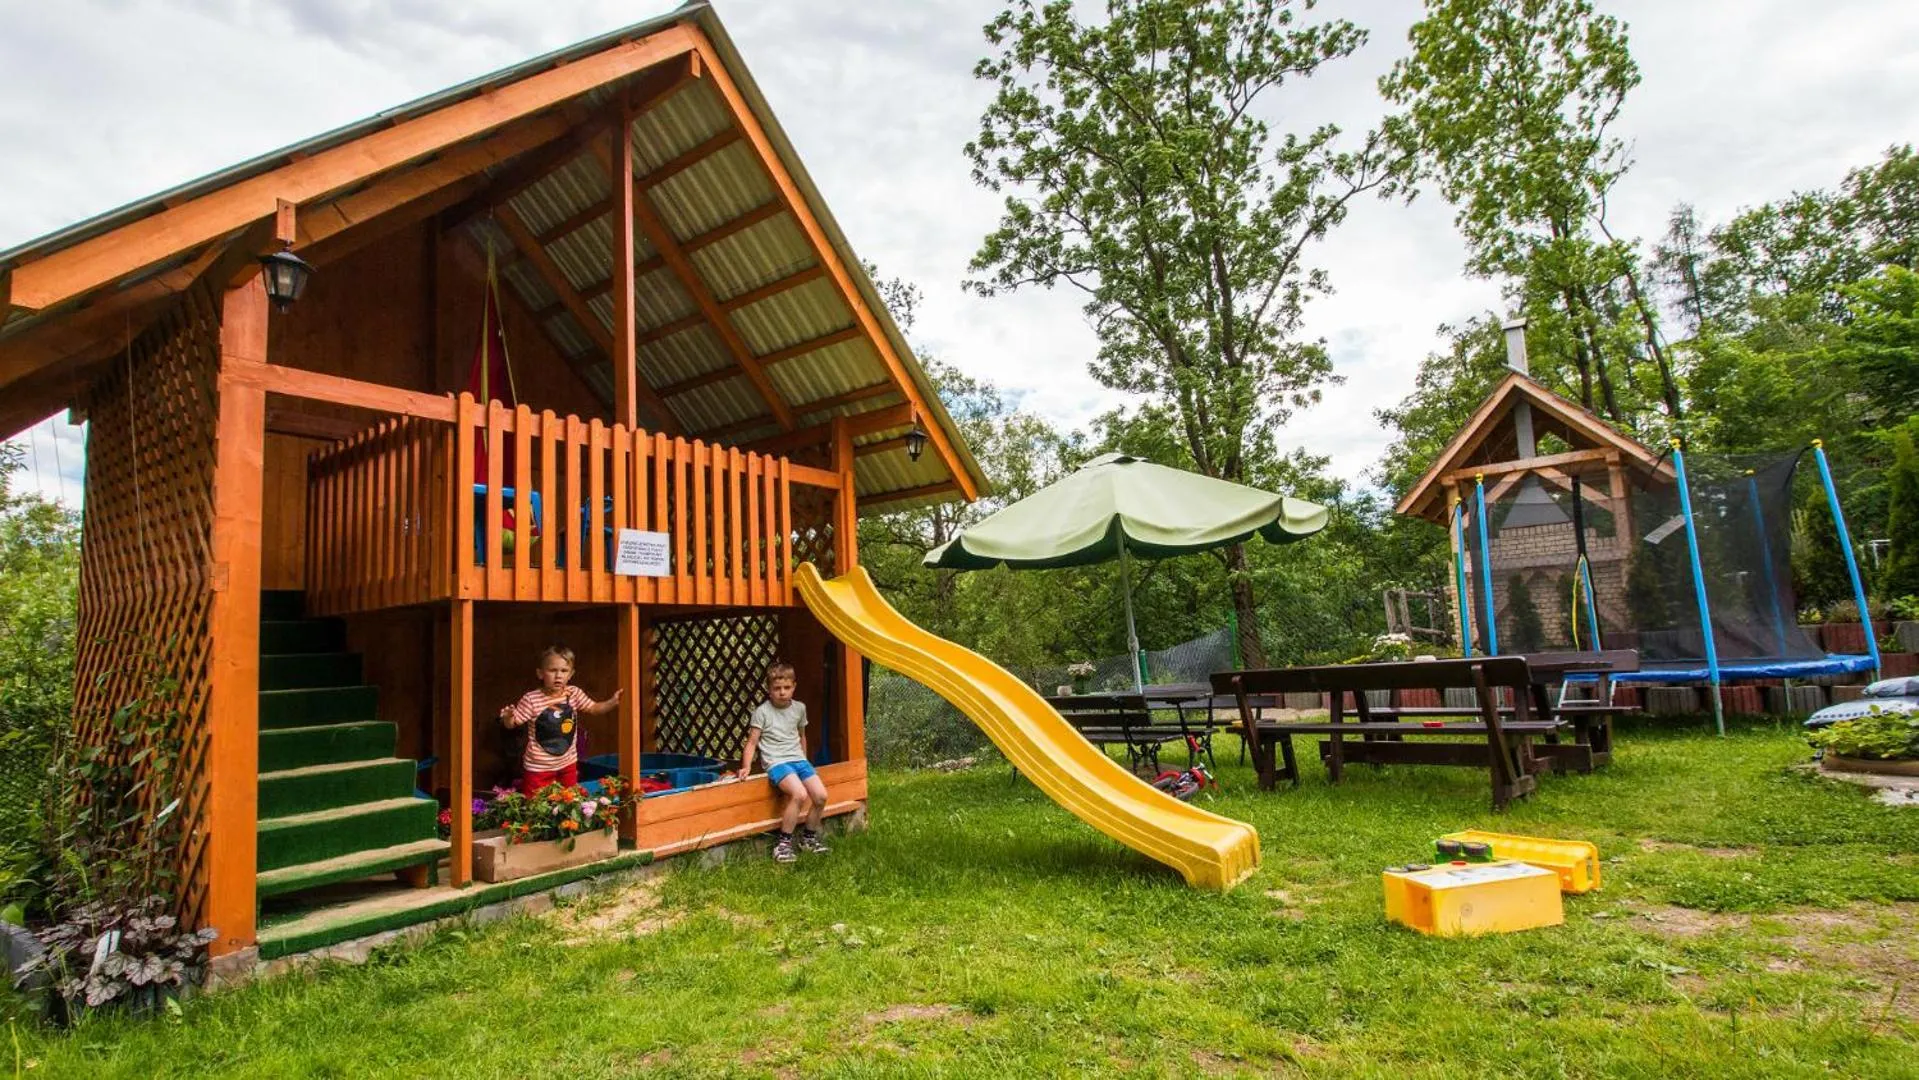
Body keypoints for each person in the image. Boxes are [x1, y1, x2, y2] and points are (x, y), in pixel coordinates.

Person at [737, 660, 829, 863]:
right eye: (777, 688)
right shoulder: (762, 712)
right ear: (769, 690)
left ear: (794, 686)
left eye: (787, 688)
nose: (782, 692)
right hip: (777, 762)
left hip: (798, 759)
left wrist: (805, 759)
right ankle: (783, 845)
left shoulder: (799, 709)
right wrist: (745, 767)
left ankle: (808, 839)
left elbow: (801, 735)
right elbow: (752, 742)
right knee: (799, 794)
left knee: (821, 796)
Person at [499, 645, 622, 795]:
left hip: (567, 764)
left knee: (568, 802)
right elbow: (512, 724)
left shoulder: (574, 693)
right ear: (540, 673)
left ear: (571, 674)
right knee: (537, 807)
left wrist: (612, 702)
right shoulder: (531, 699)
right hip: (539, 768)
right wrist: (508, 717)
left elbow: (594, 708)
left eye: (564, 671)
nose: (558, 676)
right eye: (552, 670)